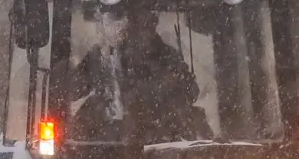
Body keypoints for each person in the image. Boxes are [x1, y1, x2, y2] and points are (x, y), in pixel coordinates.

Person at [71, 9, 202, 142]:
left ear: (153, 24)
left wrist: (172, 84)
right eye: (136, 24)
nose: (141, 31)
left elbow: (192, 92)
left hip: (162, 140)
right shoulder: (103, 56)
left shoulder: (169, 57)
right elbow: (71, 90)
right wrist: (105, 98)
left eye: (147, 24)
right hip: (114, 144)